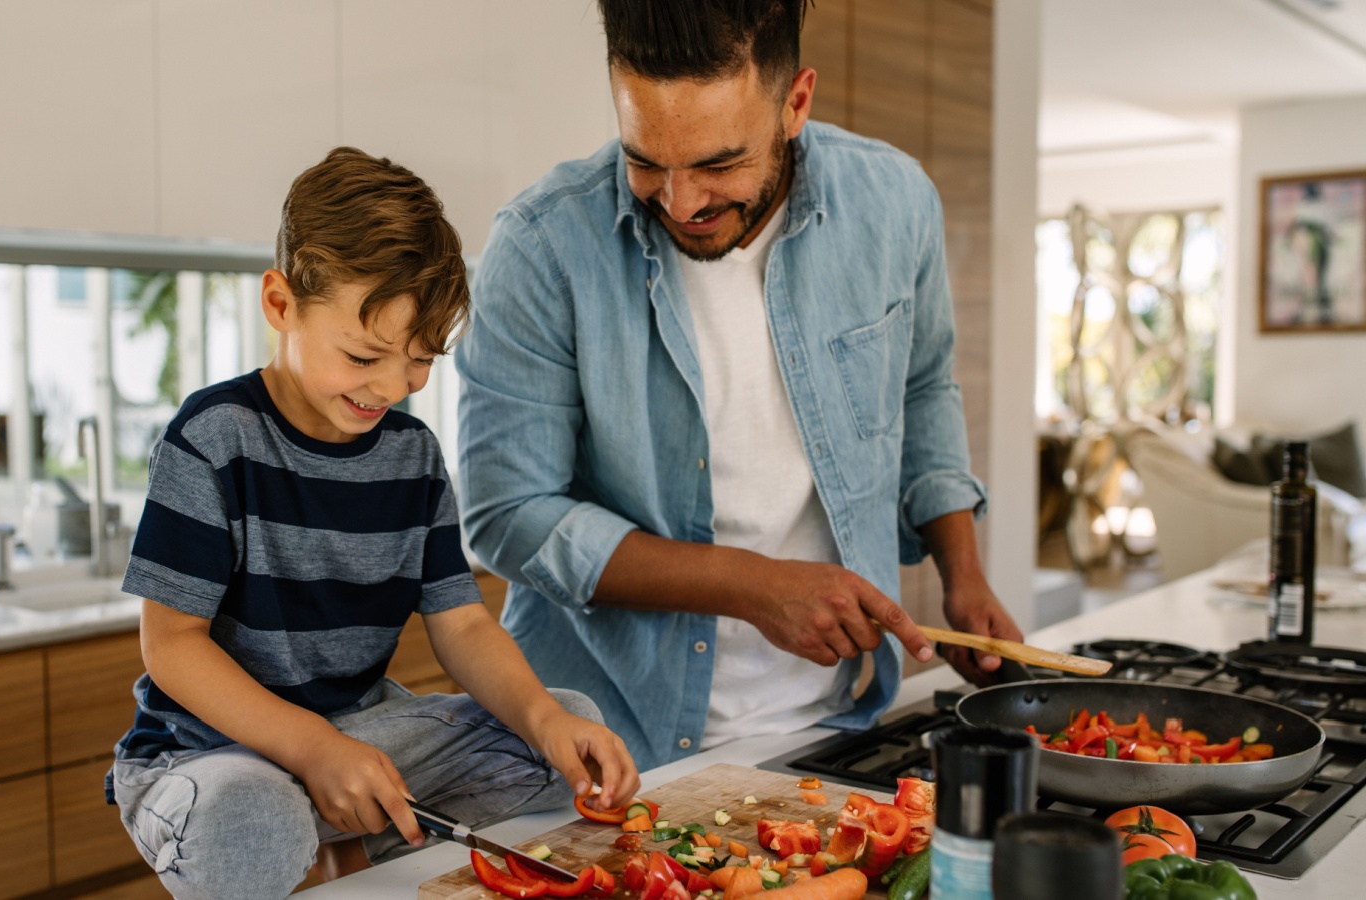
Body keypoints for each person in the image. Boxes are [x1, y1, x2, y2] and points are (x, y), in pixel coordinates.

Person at [456, 0, 1023, 771]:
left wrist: (964, 573)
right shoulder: (542, 246)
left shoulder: (895, 204)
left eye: (719, 165)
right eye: (646, 160)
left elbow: (922, 387)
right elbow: (505, 516)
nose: (681, 202)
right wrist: (752, 586)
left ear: (796, 102)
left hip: (832, 729)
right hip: (598, 744)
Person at [107, 147, 638, 900]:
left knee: (564, 732)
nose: (393, 386)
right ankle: (333, 833)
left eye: (420, 359)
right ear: (282, 305)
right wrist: (313, 748)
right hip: (207, 755)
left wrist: (545, 718)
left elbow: (463, 627)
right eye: (364, 355)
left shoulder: (412, 455)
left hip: (358, 733)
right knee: (253, 820)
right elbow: (171, 649)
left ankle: (349, 842)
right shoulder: (213, 436)